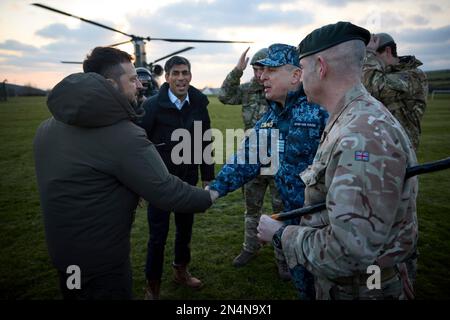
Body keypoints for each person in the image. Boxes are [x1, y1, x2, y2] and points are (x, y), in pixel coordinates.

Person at [33, 47, 216, 300]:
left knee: (74, 293)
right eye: (132, 79)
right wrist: (212, 195)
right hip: (103, 265)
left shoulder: (46, 129)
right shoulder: (123, 134)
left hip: (67, 259)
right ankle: (153, 286)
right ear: (110, 84)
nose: (140, 84)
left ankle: (179, 270)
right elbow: (163, 188)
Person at [258, 22, 419, 300]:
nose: (300, 77)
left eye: (303, 68)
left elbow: (349, 252)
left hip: (364, 288)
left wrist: (282, 235)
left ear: (320, 67)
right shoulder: (351, 117)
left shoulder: (362, 135)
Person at [209, 43, 328, 299]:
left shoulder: (321, 109)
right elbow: (248, 157)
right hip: (297, 226)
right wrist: (214, 190)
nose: (262, 76)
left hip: (325, 228)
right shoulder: (273, 115)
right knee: (306, 289)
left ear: (296, 75)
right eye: (260, 70)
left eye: (270, 71)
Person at [138, 56, 215, 300]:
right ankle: (153, 284)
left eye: (185, 73)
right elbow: (139, 144)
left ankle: (180, 271)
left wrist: (207, 178)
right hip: (159, 183)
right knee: (157, 236)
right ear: (168, 77)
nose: (181, 78)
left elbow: (205, 142)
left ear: (190, 75)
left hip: (188, 180)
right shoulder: (151, 106)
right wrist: (141, 181)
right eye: (176, 73)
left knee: (185, 230)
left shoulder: (199, 104)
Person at [218, 47, 285, 270]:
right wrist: (238, 70)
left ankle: (282, 257)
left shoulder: (281, 91)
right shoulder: (247, 91)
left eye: (264, 69)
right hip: (252, 160)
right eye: (256, 69)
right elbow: (225, 96)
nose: (259, 74)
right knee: (252, 209)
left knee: (281, 209)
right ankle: (250, 247)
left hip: (278, 160)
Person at [363, 32, 428, 151]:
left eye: (374, 55)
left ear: (387, 51)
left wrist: (369, 54)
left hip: (401, 146)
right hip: (380, 142)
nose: (371, 62)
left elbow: (373, 86)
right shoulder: (381, 74)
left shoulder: (413, 75)